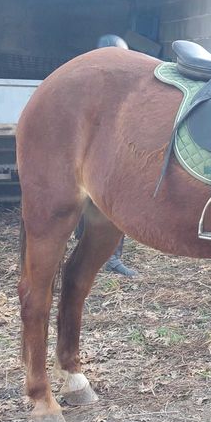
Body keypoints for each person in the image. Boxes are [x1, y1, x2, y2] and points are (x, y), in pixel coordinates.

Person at [71, 34, 138, 278]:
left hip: (111, 157)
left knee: (111, 207)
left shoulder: (127, 88)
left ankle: (111, 257)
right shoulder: (85, 86)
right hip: (90, 157)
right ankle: (87, 252)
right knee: (84, 205)